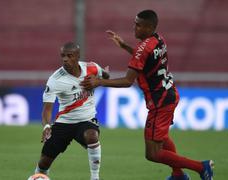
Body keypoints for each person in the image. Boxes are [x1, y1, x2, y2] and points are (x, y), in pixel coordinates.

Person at [81, 10, 214, 180]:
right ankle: (178, 174)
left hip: (160, 102)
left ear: (149, 27)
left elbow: (128, 81)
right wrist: (124, 46)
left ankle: (201, 167)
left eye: (138, 25)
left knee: (152, 153)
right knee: (163, 137)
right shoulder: (158, 39)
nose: (134, 27)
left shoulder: (143, 48)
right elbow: (144, 57)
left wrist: (99, 82)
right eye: (134, 23)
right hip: (169, 94)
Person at [33, 42, 109, 180]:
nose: (65, 59)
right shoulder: (55, 80)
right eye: (63, 56)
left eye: (69, 56)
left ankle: (95, 177)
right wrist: (46, 125)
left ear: (77, 56)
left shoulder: (91, 67)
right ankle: (38, 175)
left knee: (92, 136)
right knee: (44, 162)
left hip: (86, 120)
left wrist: (100, 79)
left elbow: (105, 75)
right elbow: (47, 109)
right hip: (64, 123)